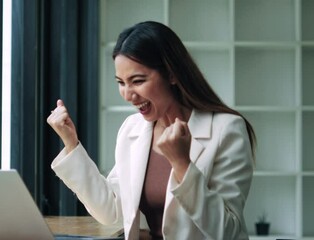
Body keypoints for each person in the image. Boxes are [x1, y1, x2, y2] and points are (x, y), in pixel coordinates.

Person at [47, 21, 255, 240]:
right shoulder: (131, 129)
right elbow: (111, 211)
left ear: (172, 74)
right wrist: (71, 143)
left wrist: (182, 165)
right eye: (121, 82)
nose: (128, 94)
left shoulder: (227, 130)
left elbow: (228, 232)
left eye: (137, 81)